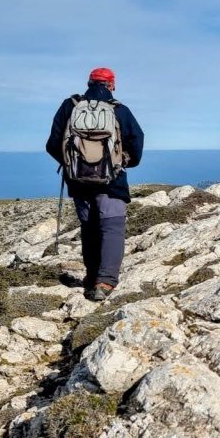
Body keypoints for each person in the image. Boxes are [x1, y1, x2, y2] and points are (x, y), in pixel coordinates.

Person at [46, 67, 144, 301]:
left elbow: (52, 144)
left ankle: (91, 278)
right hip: (112, 181)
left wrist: (72, 166)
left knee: (89, 228)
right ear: (112, 85)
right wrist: (122, 163)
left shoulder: (69, 106)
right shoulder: (120, 110)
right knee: (112, 228)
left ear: (89, 83)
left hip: (78, 181)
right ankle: (106, 282)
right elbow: (137, 141)